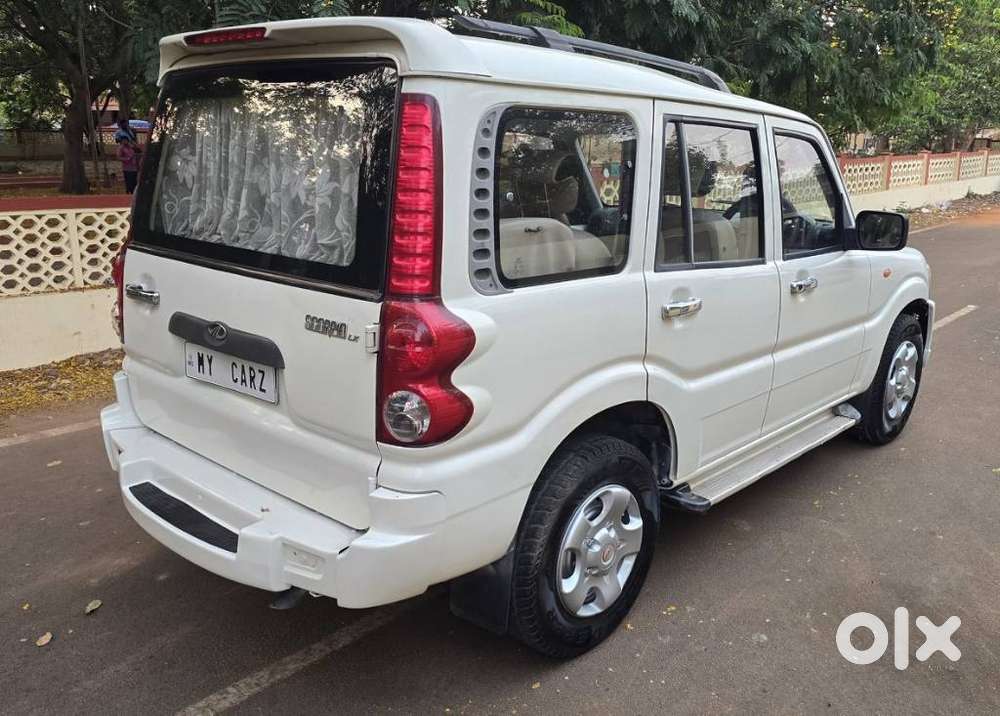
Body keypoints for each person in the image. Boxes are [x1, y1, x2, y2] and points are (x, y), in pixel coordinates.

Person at [116, 128, 141, 194]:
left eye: (126, 140)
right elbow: (118, 157)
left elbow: (138, 151)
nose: (125, 142)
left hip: (134, 167)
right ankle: (128, 192)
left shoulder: (131, 147)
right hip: (127, 167)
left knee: (134, 181)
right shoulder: (121, 148)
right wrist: (126, 159)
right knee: (128, 181)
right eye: (124, 140)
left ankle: (133, 192)